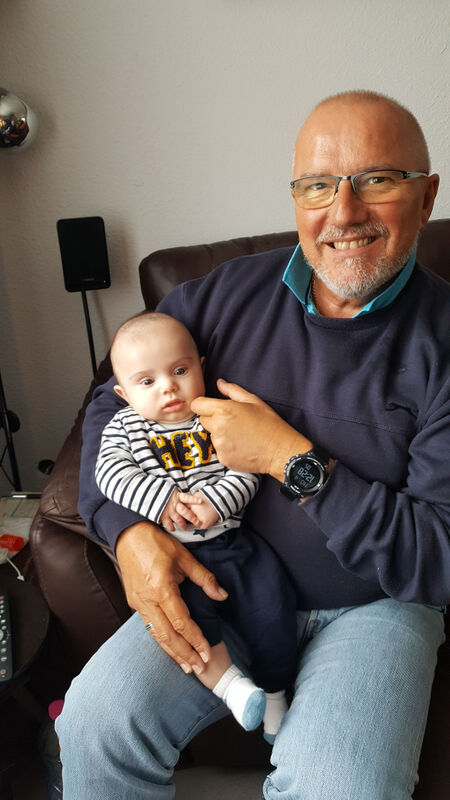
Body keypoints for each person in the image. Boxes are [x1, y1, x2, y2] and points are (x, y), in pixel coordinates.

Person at [57, 90, 449, 800]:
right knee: (95, 722)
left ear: (426, 198)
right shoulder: (222, 298)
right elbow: (111, 404)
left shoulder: (444, 345)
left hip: (378, 606)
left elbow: (438, 557)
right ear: (296, 199)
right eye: (317, 185)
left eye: (377, 179)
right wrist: (126, 532)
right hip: (220, 576)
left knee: (339, 789)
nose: (344, 211)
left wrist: (289, 460)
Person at [95, 311, 297, 738]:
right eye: (146, 381)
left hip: (234, 540)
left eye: (180, 371)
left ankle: (275, 693)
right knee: (186, 619)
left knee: (272, 604)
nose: (168, 387)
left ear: (201, 367)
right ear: (124, 393)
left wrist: (217, 503)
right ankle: (231, 687)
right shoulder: (124, 429)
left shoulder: (216, 416)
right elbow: (110, 475)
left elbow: (247, 466)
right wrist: (162, 500)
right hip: (176, 555)